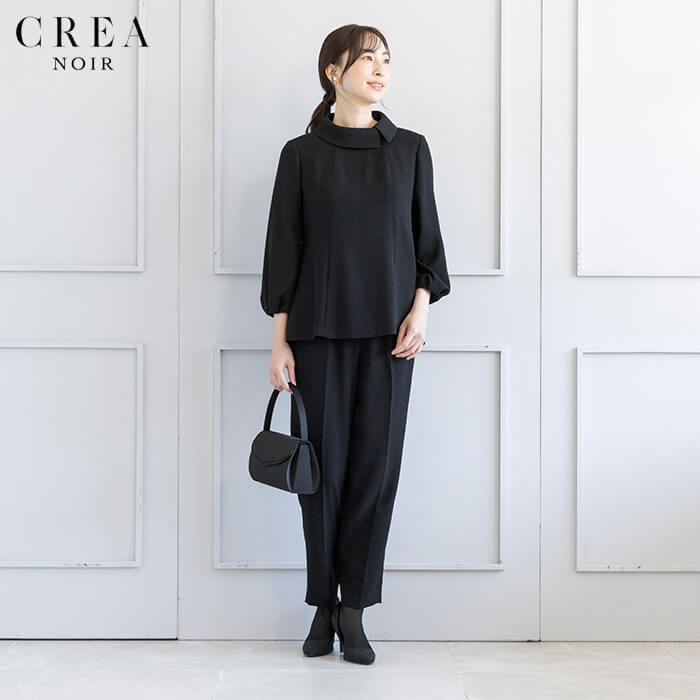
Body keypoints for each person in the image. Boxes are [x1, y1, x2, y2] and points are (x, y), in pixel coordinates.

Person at [259, 24, 450, 665]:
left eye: (386, 58)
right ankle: (321, 605)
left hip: (391, 342)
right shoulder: (300, 155)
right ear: (333, 71)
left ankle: (354, 611)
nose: (380, 69)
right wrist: (279, 344)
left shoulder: (411, 150)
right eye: (367, 58)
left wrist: (420, 311)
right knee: (320, 478)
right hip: (314, 339)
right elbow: (282, 256)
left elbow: (429, 247)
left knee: (375, 474)